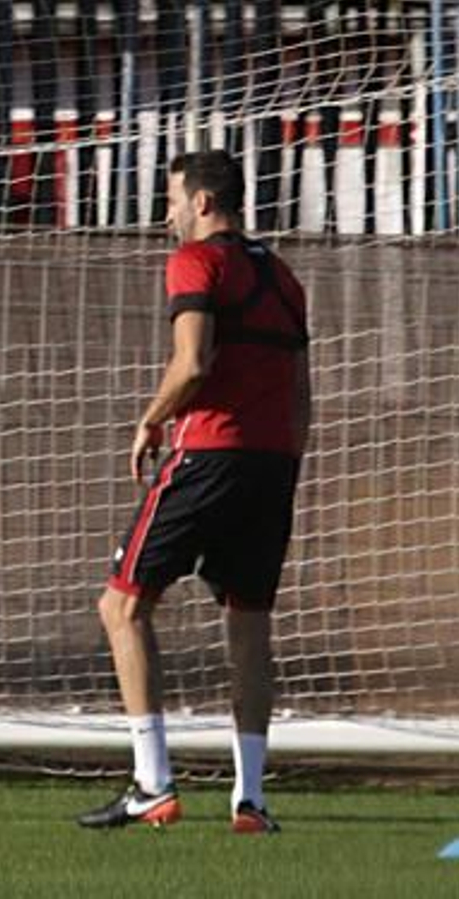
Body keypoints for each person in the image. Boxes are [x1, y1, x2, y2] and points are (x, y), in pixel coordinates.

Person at [75, 151, 311, 834]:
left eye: (174, 199)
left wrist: (151, 419)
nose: (167, 214)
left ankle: (152, 783)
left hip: (209, 456)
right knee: (249, 624)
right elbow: (301, 393)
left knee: (121, 606)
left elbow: (194, 360)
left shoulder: (196, 262)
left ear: (204, 202)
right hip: (273, 466)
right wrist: (285, 459)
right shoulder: (285, 276)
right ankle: (251, 800)